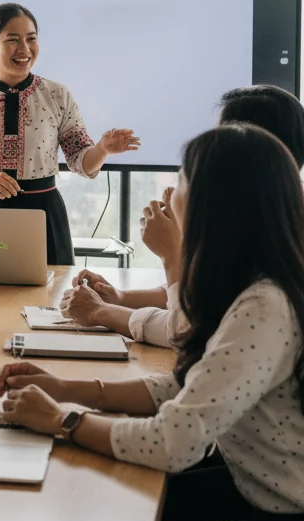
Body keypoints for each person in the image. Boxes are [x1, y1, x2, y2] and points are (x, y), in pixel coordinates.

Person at [0, 123, 304, 521]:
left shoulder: (265, 305)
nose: (170, 189)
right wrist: (69, 388)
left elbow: (174, 441)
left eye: (183, 177)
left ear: (217, 201)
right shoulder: (251, 286)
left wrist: (61, 420)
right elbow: (186, 388)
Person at [63, 83, 304, 344]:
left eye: (222, 135)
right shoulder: (263, 208)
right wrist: (120, 297)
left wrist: (171, 256)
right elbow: (203, 293)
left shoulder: (276, 226)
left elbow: (185, 331)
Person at [0, 2, 139, 265]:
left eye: (31, 39)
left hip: (44, 214)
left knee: (50, 299)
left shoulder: (57, 95)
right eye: (12, 40)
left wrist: (102, 149)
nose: (25, 49)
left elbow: (80, 160)